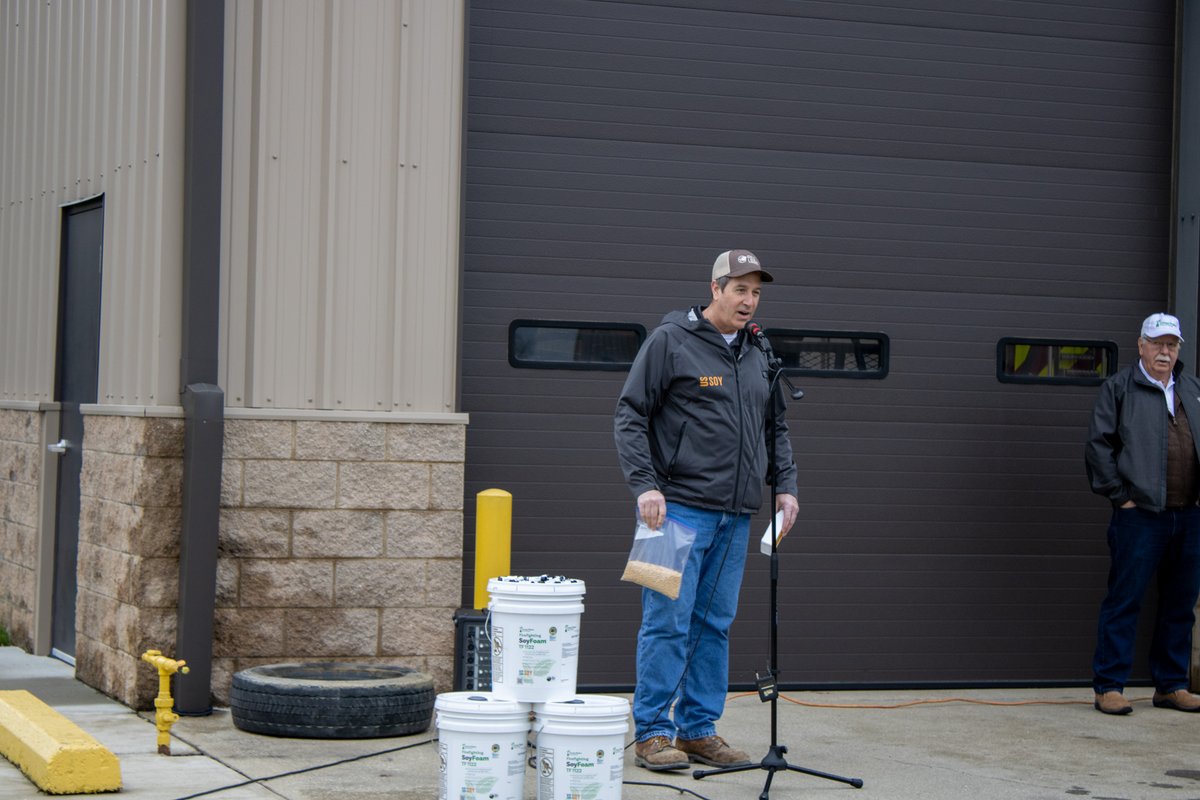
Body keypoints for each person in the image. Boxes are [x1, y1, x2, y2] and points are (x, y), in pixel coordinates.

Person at [613, 249, 800, 770]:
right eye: (740, 289)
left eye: (756, 292)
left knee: (714, 625)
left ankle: (698, 730)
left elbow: (775, 427)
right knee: (665, 623)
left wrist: (785, 486)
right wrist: (644, 486)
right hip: (670, 512)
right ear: (715, 289)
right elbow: (630, 415)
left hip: (734, 515)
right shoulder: (669, 340)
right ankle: (653, 733)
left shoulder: (758, 352)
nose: (749, 300)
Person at [1084, 312, 1200, 715]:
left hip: (1188, 515)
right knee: (1125, 600)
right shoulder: (1119, 388)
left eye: (1172, 345)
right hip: (1139, 517)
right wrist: (1121, 497)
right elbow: (1098, 447)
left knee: (1180, 605)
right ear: (1141, 345)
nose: (1165, 352)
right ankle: (1109, 686)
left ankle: (1170, 685)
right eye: (1157, 344)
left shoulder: (1192, 389)